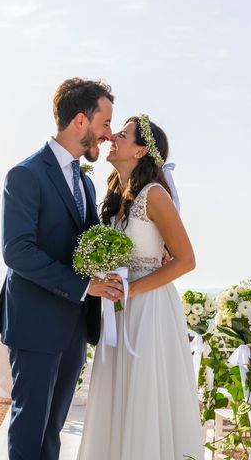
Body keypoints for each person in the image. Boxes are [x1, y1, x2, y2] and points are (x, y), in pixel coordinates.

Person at [0, 78, 125, 460]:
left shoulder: (83, 183)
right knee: (30, 426)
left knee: (53, 429)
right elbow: (17, 252)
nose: (109, 133)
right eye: (105, 123)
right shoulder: (25, 174)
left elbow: (85, 244)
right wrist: (85, 287)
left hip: (73, 326)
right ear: (81, 121)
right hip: (35, 322)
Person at [77, 115, 203, 460]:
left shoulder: (155, 195)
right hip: (117, 309)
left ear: (141, 150)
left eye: (123, 134)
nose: (113, 136)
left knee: (145, 397)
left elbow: (186, 260)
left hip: (149, 312)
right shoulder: (115, 198)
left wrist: (133, 287)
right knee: (116, 398)